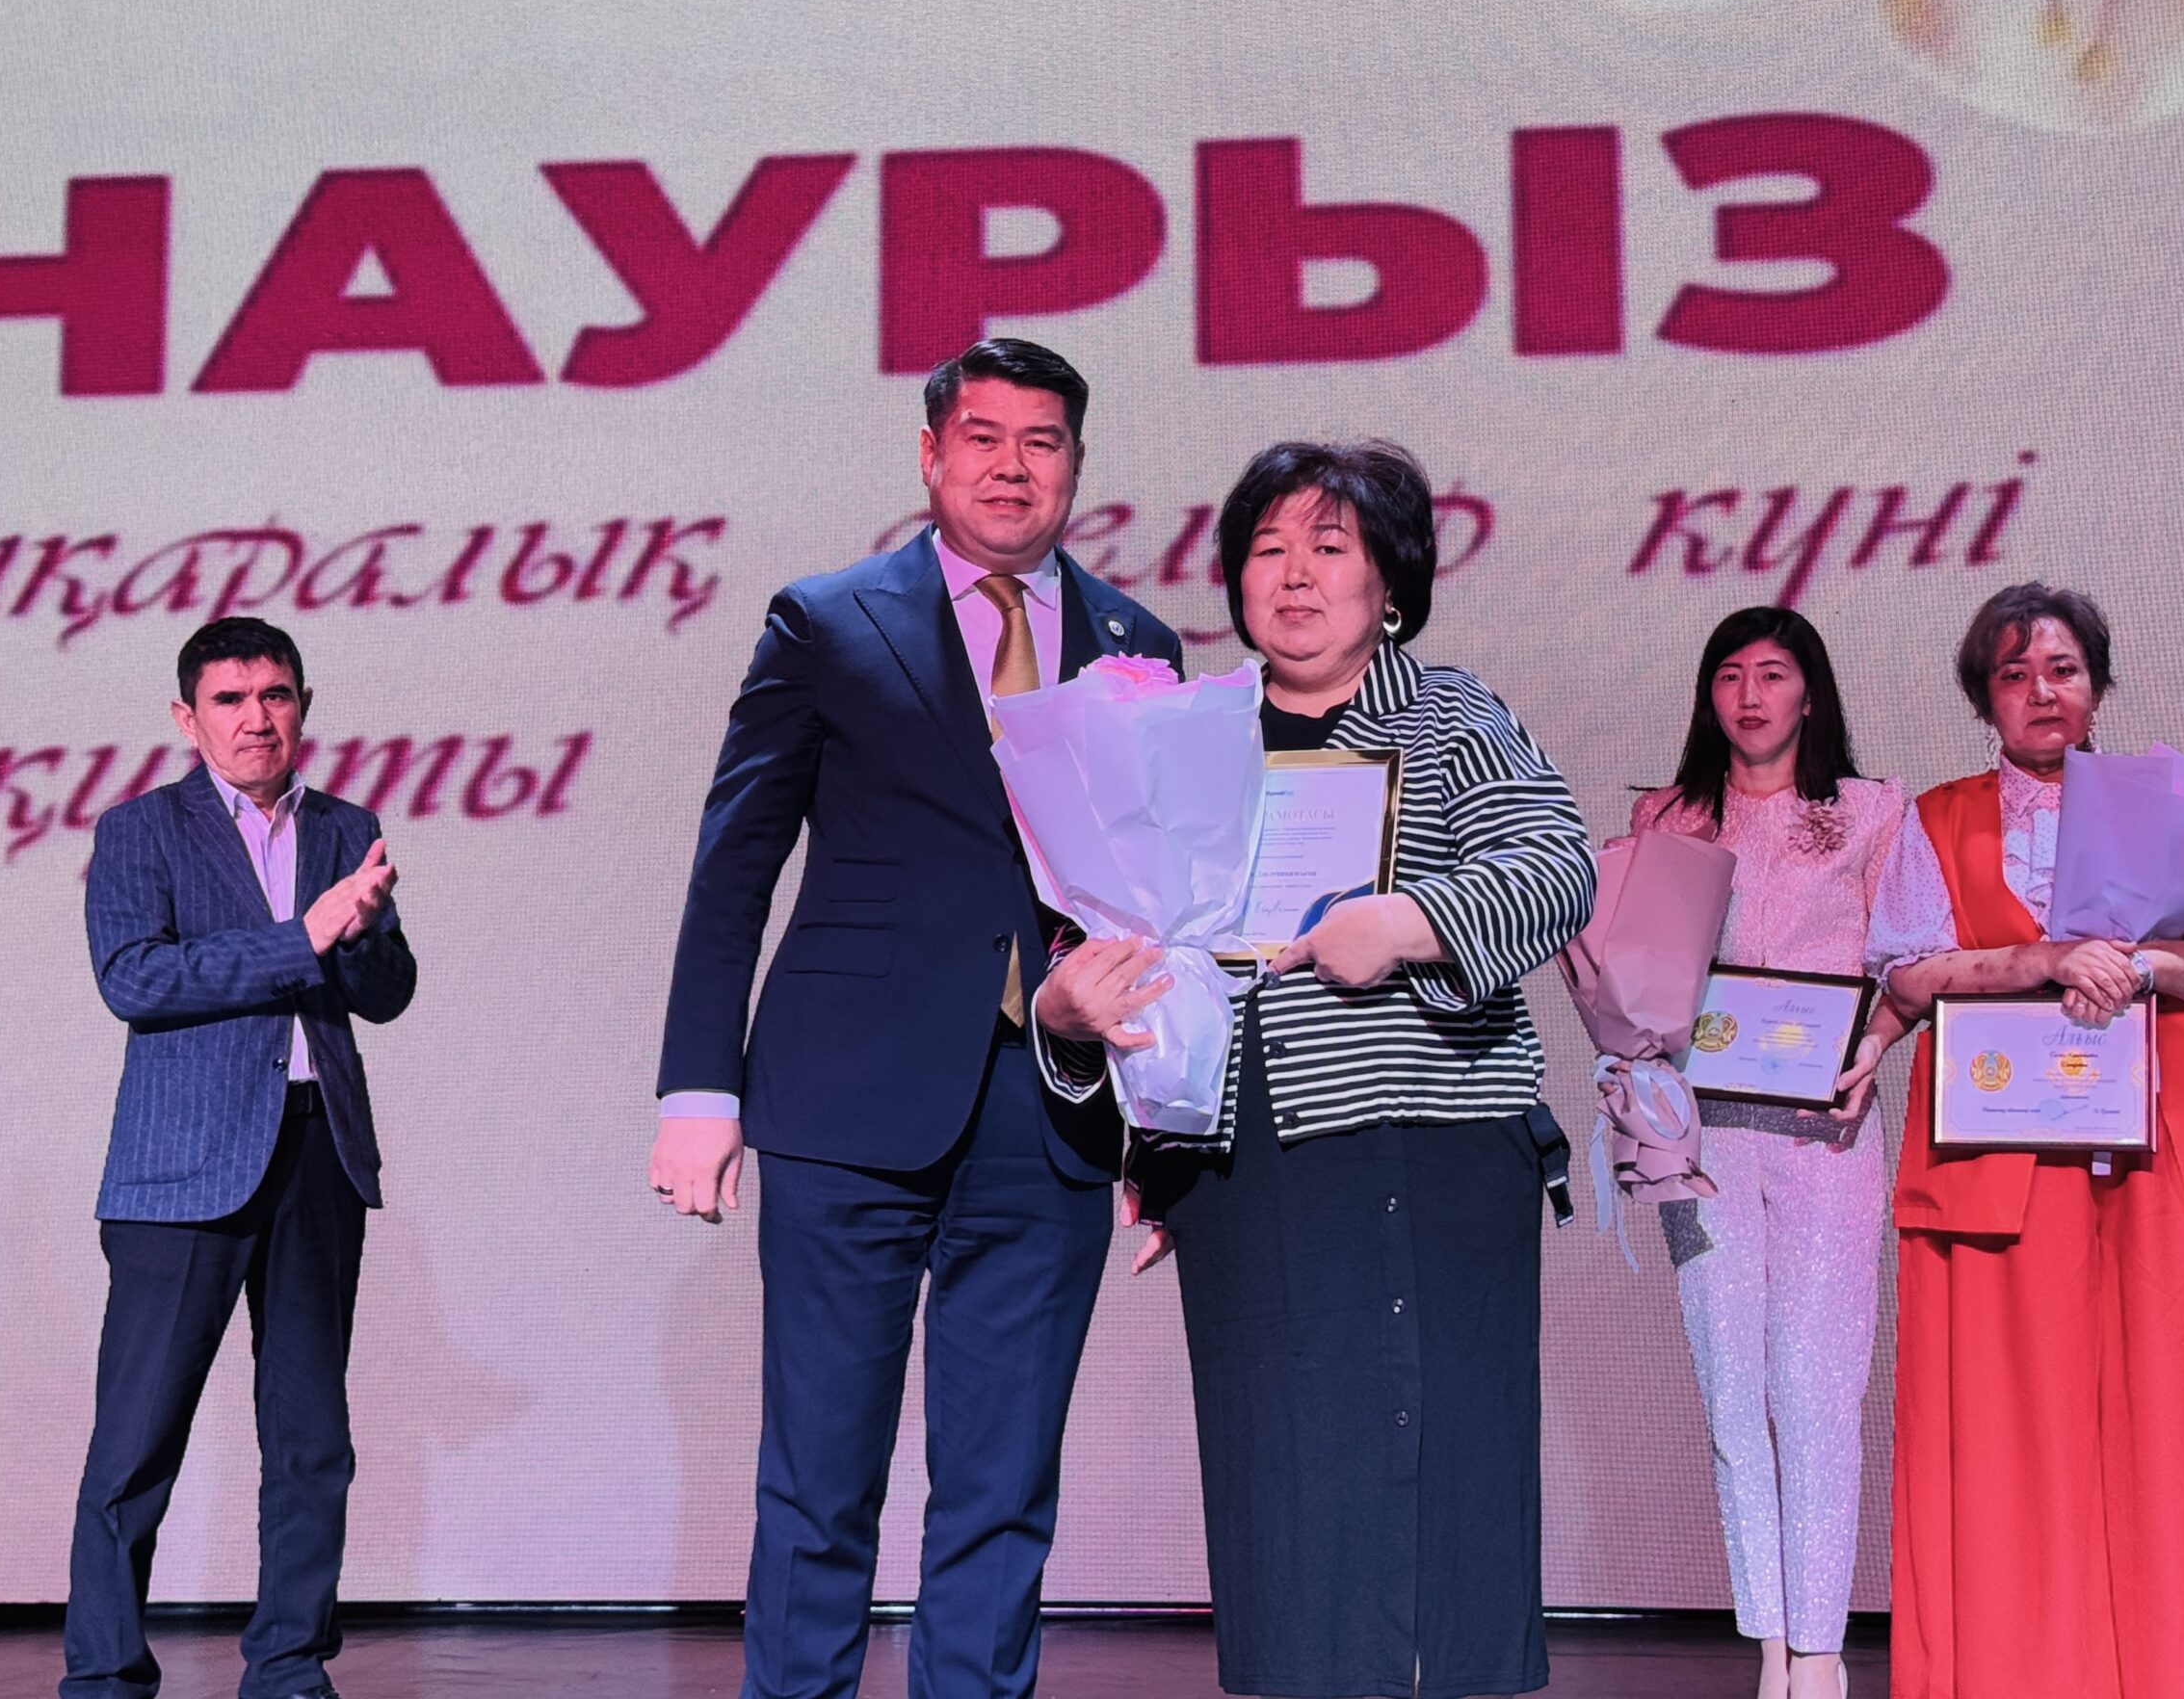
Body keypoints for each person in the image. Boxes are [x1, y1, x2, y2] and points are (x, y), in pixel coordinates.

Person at [648, 338, 1183, 1699]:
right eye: (984, 438)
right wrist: (699, 1088)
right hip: (846, 1104)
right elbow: (735, 865)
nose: (1012, 467)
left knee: (1003, 1489)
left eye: (1042, 442)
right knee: (820, 1478)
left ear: (1077, 464)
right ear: (933, 455)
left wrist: (1164, 1126)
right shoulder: (828, 621)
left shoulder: (1141, 646)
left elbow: (1159, 904)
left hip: (1051, 1110)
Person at [1052, 439, 1594, 1699]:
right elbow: (1151, 942)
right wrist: (1143, 1112)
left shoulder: (1447, 716)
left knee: (1432, 1470)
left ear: (1388, 584)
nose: (1292, 575)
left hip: (1425, 1142)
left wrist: (1407, 923)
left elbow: (1555, 868)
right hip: (1246, 1165)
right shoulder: (1195, 736)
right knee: (1278, 1478)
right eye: (1267, 549)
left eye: (1328, 548)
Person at [1868, 583, 2184, 1699]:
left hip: (2170, 1154)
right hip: (2003, 1158)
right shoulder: (1938, 819)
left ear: (2098, 685)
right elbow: (1908, 974)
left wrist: (2145, 966)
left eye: (2062, 670)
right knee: (2014, 1432)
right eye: (2014, 674)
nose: (2040, 692)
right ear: (1984, 698)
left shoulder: (2170, 806)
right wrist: (2044, 960)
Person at [64, 617, 416, 1699]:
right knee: (137, 1442)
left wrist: (364, 932)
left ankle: (290, 1667)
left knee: (311, 1440)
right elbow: (134, 979)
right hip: (181, 1169)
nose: (256, 718)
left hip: (318, 1152)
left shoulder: (348, 826)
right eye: (230, 699)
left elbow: (386, 996)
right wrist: (304, 935)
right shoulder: (140, 830)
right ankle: (105, 1676)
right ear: (188, 718)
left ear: (303, 705)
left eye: (275, 695)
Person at [1626, 607, 1904, 1699]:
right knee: (1731, 1388)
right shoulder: (1668, 818)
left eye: (1774, 674)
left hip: (1825, 1134)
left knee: (1817, 1390)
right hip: (1698, 1141)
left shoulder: (1871, 812)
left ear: (1809, 692)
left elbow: (1908, 961)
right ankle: (1773, 1647)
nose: (1750, 695)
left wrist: (1877, 1041)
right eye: (1730, 675)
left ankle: (1822, 1651)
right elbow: (1633, 973)